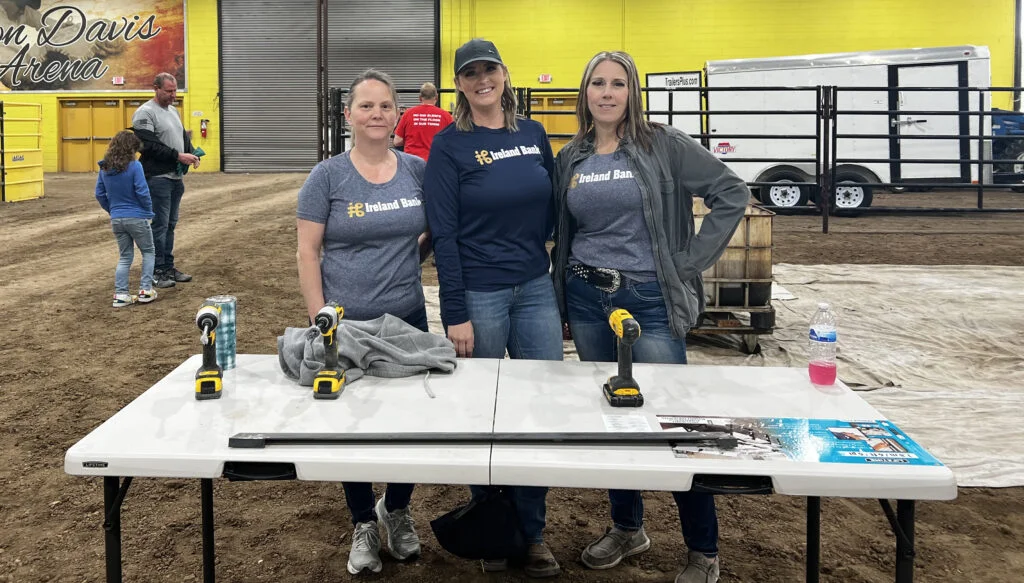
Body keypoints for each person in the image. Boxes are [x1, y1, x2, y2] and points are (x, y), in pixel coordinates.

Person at [551, 51, 750, 583]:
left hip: (650, 302)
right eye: (598, 83)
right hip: (589, 299)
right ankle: (627, 526)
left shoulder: (664, 145)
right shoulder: (571, 156)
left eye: (619, 83)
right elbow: (566, 232)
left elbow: (732, 191)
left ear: (632, 91)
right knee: (613, 418)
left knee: (679, 420)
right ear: (585, 91)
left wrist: (689, 262)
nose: (608, 92)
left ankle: (703, 549)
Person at [423, 38, 563, 579]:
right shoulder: (449, 145)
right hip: (479, 292)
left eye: (490, 70)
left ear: (505, 74)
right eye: (470, 73)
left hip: (533, 287)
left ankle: (531, 533)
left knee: (536, 410)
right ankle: (493, 529)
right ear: (459, 84)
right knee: (485, 414)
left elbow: (552, 207)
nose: (482, 80)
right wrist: (454, 310)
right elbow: (446, 234)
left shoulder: (532, 134)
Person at [296, 69, 431, 576]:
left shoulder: (416, 170)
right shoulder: (327, 177)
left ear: (397, 113)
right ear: (349, 114)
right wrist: (320, 318)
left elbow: (434, 230)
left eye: (385, 106)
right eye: (366, 106)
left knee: (410, 424)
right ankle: (362, 521)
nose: (377, 114)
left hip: (407, 319)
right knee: (350, 424)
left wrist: (404, 266)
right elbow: (308, 253)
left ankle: (396, 510)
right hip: (345, 322)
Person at [132, 72, 200, 289]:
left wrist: (191, 153)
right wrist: (178, 156)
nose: (173, 95)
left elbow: (182, 137)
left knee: (170, 225)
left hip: (175, 177)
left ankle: (168, 266)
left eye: (175, 91)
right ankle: (155, 269)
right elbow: (148, 145)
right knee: (159, 226)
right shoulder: (145, 113)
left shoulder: (173, 111)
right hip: (157, 178)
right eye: (169, 91)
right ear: (156, 88)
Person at [95, 130, 158, 308]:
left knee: (125, 257)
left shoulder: (104, 167)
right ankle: (145, 290)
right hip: (137, 216)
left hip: (117, 218)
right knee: (148, 252)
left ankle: (121, 294)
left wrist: (112, 209)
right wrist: (148, 210)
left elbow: (99, 193)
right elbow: (142, 191)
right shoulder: (135, 166)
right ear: (131, 148)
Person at [393, 82, 453, 161]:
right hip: (436, 163)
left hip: (411, 163)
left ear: (420, 98)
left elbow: (397, 141)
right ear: (437, 97)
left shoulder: (408, 113)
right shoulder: (446, 116)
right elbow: (454, 142)